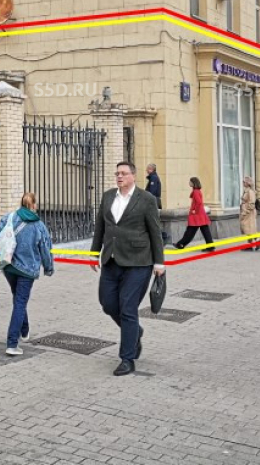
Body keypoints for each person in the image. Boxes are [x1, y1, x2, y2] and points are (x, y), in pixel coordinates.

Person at [90, 161, 164, 377]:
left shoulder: (146, 199)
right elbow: (100, 226)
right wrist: (94, 253)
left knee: (128, 308)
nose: (119, 177)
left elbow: (155, 232)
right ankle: (135, 332)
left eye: (123, 173)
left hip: (138, 262)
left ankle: (127, 358)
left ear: (133, 175)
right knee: (107, 303)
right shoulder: (108, 197)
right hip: (111, 259)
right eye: (117, 173)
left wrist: (159, 262)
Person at [0, 192, 54, 356]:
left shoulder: (9, 218)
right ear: (34, 205)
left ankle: (24, 330)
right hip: (27, 270)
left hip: (9, 267)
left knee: (18, 298)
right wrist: (48, 267)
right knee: (20, 302)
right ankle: (12, 343)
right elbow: (45, 249)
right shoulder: (39, 226)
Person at [173, 177, 215, 252]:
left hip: (196, 215)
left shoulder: (195, 192)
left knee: (190, 231)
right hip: (200, 214)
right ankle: (210, 247)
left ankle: (180, 244)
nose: (189, 183)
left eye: (190, 182)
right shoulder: (197, 191)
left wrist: (194, 211)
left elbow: (199, 202)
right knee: (205, 231)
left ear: (193, 183)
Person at [239, 176, 260, 251]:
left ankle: (258, 241)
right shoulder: (246, 190)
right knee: (247, 229)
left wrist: (246, 211)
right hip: (246, 211)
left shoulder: (250, 191)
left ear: (248, 183)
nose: (243, 183)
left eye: (244, 182)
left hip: (249, 213)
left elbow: (252, 203)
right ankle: (250, 245)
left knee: (250, 228)